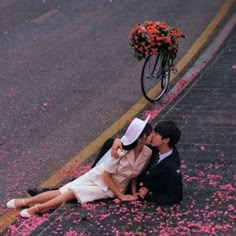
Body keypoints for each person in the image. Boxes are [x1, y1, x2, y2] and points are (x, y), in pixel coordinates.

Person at [6, 116, 152, 218]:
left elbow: (135, 175)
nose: (151, 136)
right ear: (140, 138)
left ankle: (37, 208)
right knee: (63, 190)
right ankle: (26, 202)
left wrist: (133, 194)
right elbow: (106, 175)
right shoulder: (120, 151)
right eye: (149, 134)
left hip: (110, 188)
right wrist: (122, 196)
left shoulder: (148, 153)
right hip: (100, 176)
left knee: (72, 192)